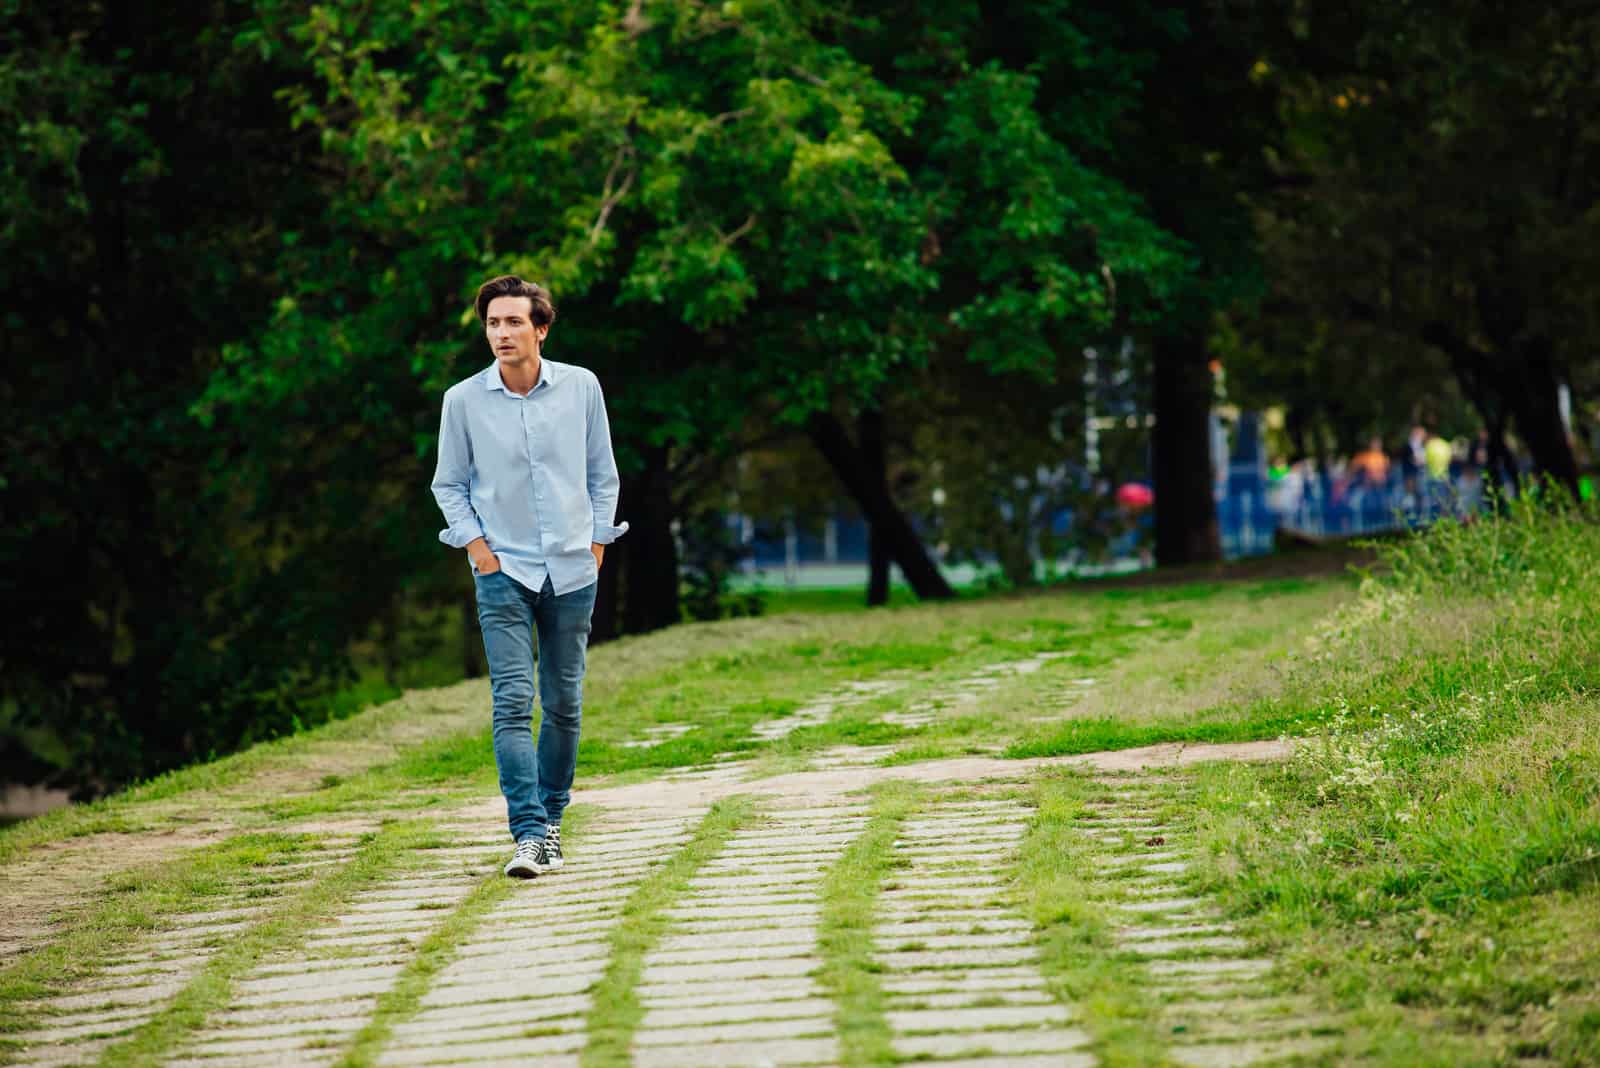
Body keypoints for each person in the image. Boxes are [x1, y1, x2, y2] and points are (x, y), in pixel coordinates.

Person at [430, 275, 628, 878]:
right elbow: (449, 485)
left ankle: (554, 819)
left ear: (540, 328)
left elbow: (603, 475)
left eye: (514, 322)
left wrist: (596, 542)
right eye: (493, 323)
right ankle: (529, 833)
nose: (501, 333)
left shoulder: (581, 388)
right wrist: (480, 550)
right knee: (513, 702)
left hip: (573, 568)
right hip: (503, 570)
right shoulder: (462, 401)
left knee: (564, 702)